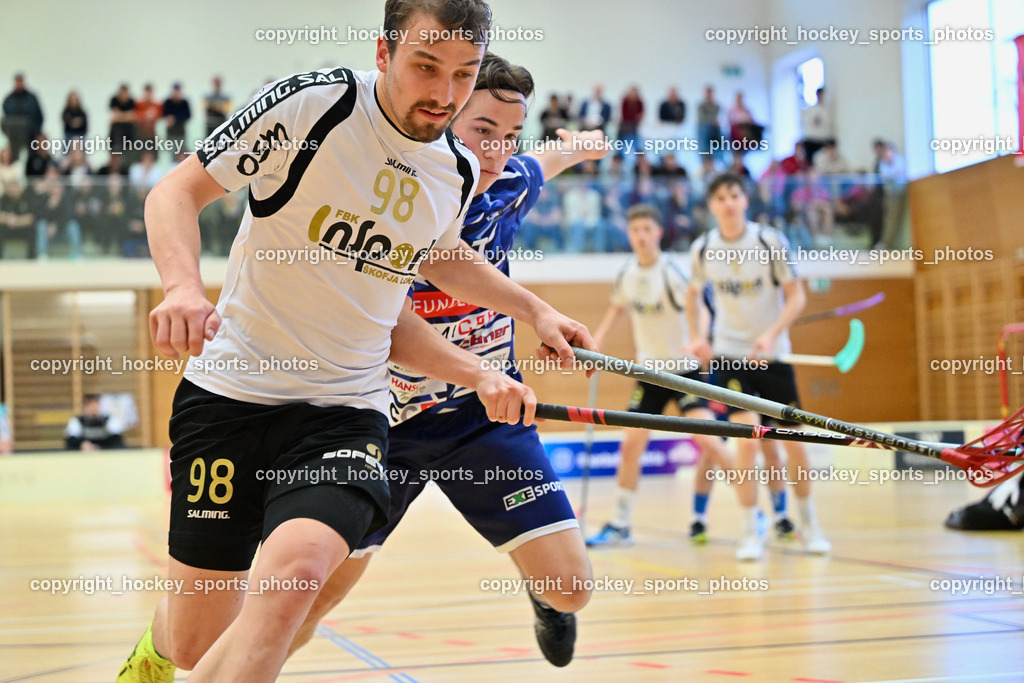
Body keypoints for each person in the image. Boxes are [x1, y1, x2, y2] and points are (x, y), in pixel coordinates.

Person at [115, 2, 594, 682]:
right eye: (426, 66)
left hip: (346, 411)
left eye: (461, 75)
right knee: (195, 642)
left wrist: (526, 320)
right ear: (383, 53)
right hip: (232, 394)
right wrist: (184, 288)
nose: (444, 94)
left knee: (294, 582)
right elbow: (175, 191)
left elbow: (425, 270)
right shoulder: (314, 108)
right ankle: (156, 652)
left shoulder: (452, 170)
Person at [290, 52, 611, 668]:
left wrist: (582, 145)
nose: (496, 154)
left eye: (509, 135)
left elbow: (546, 161)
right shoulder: (390, 206)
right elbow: (386, 330)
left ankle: (543, 599)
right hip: (380, 428)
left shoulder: (509, 183)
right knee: (305, 601)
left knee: (572, 588)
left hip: (482, 421)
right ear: (445, 119)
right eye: (482, 132)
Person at [686, 172, 830, 561]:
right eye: (720, 197)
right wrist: (699, 336)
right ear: (712, 206)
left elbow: (796, 296)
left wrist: (771, 335)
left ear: (744, 200)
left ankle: (809, 524)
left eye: (734, 195)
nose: (728, 202)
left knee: (794, 445)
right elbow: (693, 296)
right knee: (748, 440)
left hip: (774, 354)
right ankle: (751, 531)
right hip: (731, 356)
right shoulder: (703, 249)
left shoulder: (769, 241)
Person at [585, 204, 735, 547]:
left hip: (686, 373)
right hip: (649, 374)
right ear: (629, 234)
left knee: (711, 444)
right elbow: (617, 308)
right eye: (634, 230)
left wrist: (701, 339)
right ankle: (620, 524)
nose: (640, 236)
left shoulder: (673, 272)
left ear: (658, 233)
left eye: (646, 230)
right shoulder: (627, 274)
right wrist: (596, 342)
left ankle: (754, 511)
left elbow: (702, 307)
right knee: (629, 447)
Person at [1, 74, 43, 161]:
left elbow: (39, 116)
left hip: (30, 133)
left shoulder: (31, 98)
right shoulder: (9, 99)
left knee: (33, 155)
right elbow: (6, 116)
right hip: (14, 134)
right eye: (17, 81)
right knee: (14, 155)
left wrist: (37, 132)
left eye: (20, 81)